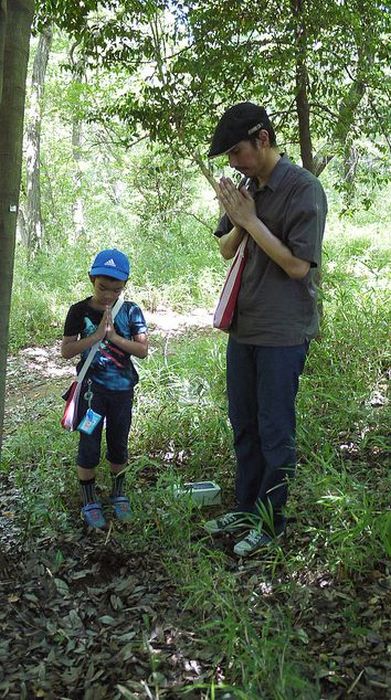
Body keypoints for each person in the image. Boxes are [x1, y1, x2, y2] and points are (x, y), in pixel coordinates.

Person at [204, 102, 327, 556]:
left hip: (282, 331)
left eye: (237, 151)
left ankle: (272, 522)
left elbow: (298, 265)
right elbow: (225, 249)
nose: (233, 162)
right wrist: (237, 219)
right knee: (245, 424)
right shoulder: (245, 184)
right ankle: (246, 506)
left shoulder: (303, 189)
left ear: (263, 139)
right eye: (229, 156)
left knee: (276, 430)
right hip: (245, 325)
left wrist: (252, 220)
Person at [61, 249, 148, 528]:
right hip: (91, 393)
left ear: (125, 285)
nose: (109, 294)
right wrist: (96, 336)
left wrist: (112, 336)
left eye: (116, 289)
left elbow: (142, 349)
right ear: (91, 279)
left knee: (118, 443)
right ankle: (89, 500)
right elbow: (66, 350)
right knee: (89, 443)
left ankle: (118, 496)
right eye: (102, 287)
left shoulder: (131, 310)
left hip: (122, 391)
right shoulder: (78, 311)